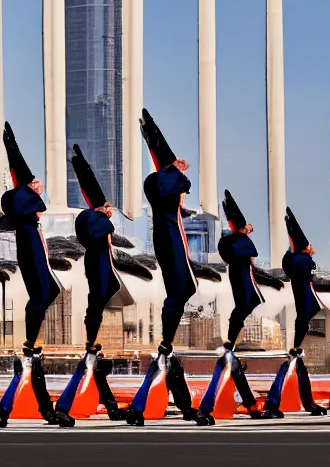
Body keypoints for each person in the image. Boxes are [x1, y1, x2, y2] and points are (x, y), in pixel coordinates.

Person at [0, 122, 61, 427]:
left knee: (47, 293)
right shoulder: (27, 232)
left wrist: (12, 146)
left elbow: (21, 173)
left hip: (32, 347)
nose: (39, 190)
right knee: (42, 295)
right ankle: (13, 410)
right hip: (31, 346)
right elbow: (22, 179)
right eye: (35, 191)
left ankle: (21, 410)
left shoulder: (31, 228)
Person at [125, 108, 198, 427]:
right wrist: (175, 169)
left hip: (173, 235)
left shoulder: (166, 183)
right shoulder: (157, 183)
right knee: (179, 290)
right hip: (168, 236)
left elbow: (185, 183)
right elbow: (180, 182)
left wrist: (176, 169)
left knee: (187, 288)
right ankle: (166, 345)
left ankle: (167, 345)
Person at [55, 145, 127, 427]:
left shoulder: (95, 238)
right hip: (98, 276)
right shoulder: (96, 239)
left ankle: (109, 406)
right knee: (89, 361)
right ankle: (65, 405)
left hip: (98, 274)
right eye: (106, 210)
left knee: (93, 366)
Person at [195, 190, 263, 425]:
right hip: (241, 275)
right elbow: (245, 250)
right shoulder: (234, 245)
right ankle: (205, 408)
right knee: (244, 305)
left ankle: (252, 406)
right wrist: (243, 235)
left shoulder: (235, 246)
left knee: (232, 363)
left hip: (243, 272)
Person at [262, 207, 327, 418]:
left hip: (304, 307)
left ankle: (308, 404)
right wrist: (307, 253)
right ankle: (274, 404)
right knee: (293, 364)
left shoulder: (294, 260)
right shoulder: (299, 262)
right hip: (303, 306)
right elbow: (307, 262)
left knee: (299, 367)